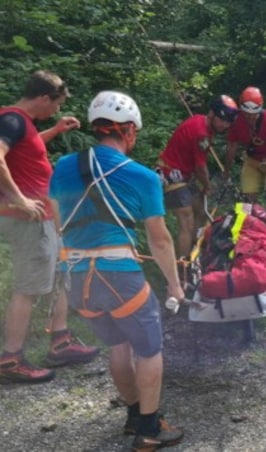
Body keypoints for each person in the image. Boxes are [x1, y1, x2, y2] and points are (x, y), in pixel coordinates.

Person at [50, 91, 185, 449]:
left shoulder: (63, 166)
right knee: (149, 349)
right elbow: (160, 240)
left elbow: (56, 219)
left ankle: (134, 415)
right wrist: (174, 285)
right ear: (127, 131)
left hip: (78, 278)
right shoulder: (142, 177)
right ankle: (150, 429)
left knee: (119, 345)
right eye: (135, 132)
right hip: (119, 274)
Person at [0, 70, 99, 384]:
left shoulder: (20, 124)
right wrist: (19, 200)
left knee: (61, 273)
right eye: (56, 105)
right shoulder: (12, 120)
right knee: (28, 289)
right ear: (44, 97)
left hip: (45, 219)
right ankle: (10, 358)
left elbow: (25, 151)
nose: (56, 110)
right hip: (29, 221)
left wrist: (55, 130)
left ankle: (61, 342)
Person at [155, 95, 238, 260]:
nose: (225, 125)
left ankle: (195, 248)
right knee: (187, 222)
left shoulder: (203, 124)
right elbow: (200, 167)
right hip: (171, 175)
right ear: (212, 114)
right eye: (223, 120)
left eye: (228, 122)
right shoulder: (201, 132)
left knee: (200, 208)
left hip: (184, 176)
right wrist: (207, 185)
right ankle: (183, 267)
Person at [225, 86, 266, 203]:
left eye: (254, 114)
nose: (250, 117)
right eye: (247, 114)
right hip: (252, 160)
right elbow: (232, 146)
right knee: (248, 198)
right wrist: (227, 169)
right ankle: (251, 219)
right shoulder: (236, 121)